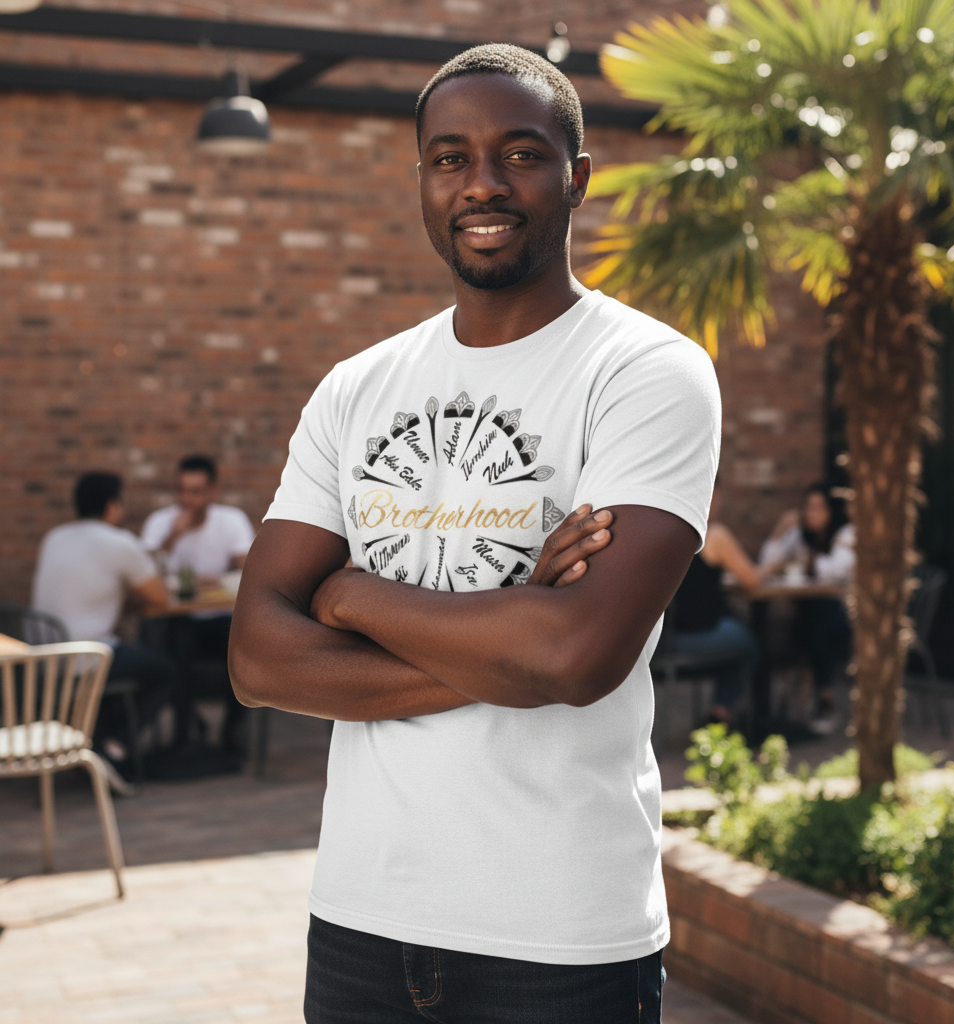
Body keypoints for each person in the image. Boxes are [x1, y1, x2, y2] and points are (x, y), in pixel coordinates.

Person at [230, 45, 720, 1023]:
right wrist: (512, 630)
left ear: (577, 177)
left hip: (559, 933)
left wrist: (351, 598)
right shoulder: (356, 387)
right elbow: (257, 657)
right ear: (421, 179)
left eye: (521, 154)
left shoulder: (643, 372)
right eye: (449, 158)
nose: (482, 183)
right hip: (361, 917)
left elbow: (576, 654)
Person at [32, 472, 179, 771]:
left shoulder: (54, 537)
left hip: (43, 659)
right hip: (86, 658)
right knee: (167, 672)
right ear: (113, 506)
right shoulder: (118, 542)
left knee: (129, 656)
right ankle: (115, 744)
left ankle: (94, 738)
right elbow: (160, 597)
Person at [141, 455, 254, 752]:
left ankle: (233, 728)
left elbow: (250, 569)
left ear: (213, 491)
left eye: (196, 491)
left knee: (244, 645)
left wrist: (208, 581)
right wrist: (173, 536)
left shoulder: (231, 520)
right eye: (182, 490)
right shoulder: (161, 522)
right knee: (160, 638)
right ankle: (186, 725)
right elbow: (145, 571)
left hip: (219, 617)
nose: (187, 499)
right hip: (179, 619)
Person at [760, 482, 855, 733]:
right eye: (807, 507)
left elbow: (837, 571)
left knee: (818, 619)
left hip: (847, 616)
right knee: (804, 619)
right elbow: (767, 563)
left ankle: (817, 696)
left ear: (832, 511)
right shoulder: (798, 535)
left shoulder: (845, 535)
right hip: (808, 613)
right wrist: (780, 531)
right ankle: (795, 696)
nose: (811, 514)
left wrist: (805, 560)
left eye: (818, 508)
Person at [668, 486, 765, 724]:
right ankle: (722, 714)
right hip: (694, 638)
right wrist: (777, 563)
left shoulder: (664, 530)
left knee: (734, 641)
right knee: (749, 643)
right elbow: (751, 581)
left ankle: (718, 714)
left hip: (661, 642)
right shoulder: (714, 535)